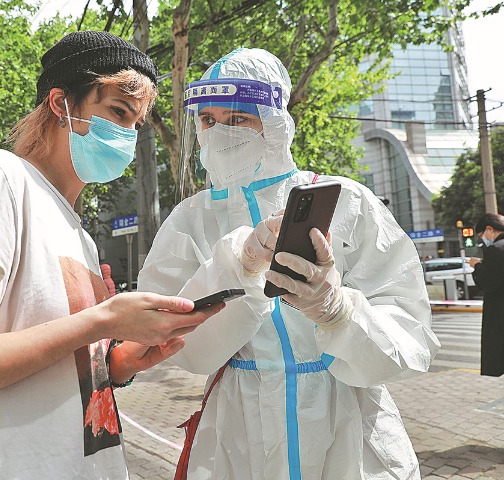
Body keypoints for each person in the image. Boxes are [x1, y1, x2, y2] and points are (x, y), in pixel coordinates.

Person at [0, 31, 221, 480]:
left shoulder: (79, 233)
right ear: (59, 104)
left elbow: (64, 362)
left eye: (135, 124)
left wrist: (116, 363)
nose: (127, 135)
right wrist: (103, 320)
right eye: (116, 112)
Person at [138, 48, 440, 479]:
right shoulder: (190, 219)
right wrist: (237, 267)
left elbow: (411, 335)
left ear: (274, 123)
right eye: (208, 120)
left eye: (238, 119)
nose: (220, 132)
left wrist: (338, 313)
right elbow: (172, 338)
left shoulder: (346, 201)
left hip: (347, 421)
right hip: (238, 428)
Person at [468, 213, 504, 377]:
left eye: (482, 236)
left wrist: (477, 266)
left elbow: (488, 282)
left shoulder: (496, 249)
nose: (483, 239)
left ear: (489, 229)